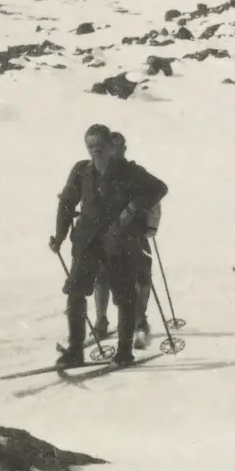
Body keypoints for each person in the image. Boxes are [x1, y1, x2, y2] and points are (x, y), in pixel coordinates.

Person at [51, 124, 168, 367]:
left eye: (100, 147)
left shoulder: (130, 172)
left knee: (124, 297)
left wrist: (133, 208)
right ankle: (75, 351)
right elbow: (66, 202)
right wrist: (60, 235)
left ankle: (124, 352)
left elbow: (159, 188)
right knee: (75, 293)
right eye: (90, 147)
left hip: (120, 242)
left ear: (111, 147)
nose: (95, 152)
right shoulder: (81, 170)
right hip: (87, 241)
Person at [92, 132, 163, 349]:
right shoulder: (97, 172)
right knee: (101, 277)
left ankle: (140, 323)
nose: (115, 152)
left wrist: (152, 224)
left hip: (134, 234)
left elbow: (155, 196)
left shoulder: (134, 172)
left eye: (119, 148)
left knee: (140, 278)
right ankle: (101, 322)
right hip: (107, 236)